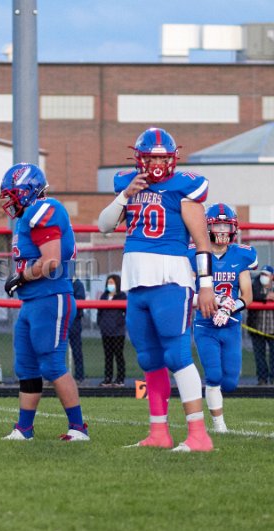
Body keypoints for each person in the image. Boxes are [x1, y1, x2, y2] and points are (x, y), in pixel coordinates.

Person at [98, 127, 217, 452]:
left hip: (170, 280)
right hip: (137, 282)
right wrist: (125, 195)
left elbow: (202, 243)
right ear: (140, 159)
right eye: (151, 158)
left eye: (162, 159)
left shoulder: (185, 188)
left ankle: (198, 435)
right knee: (149, 357)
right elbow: (104, 225)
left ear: (172, 160)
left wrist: (206, 285)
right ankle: (158, 432)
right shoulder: (129, 185)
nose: (157, 164)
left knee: (177, 354)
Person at [0, 162, 89, 442]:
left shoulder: (44, 209)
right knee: (25, 366)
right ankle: (24, 429)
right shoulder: (27, 216)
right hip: (33, 300)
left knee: (51, 364)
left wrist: (20, 277)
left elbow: (50, 261)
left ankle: (78, 428)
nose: (10, 201)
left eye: (13, 195)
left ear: (27, 191)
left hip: (51, 296)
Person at [188, 203, 256, 432]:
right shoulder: (195, 254)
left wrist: (229, 308)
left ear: (234, 228)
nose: (222, 230)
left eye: (226, 226)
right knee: (214, 375)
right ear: (207, 227)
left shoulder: (241, 255)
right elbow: (187, 291)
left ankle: (218, 417)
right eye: (218, 225)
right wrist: (215, 301)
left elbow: (248, 295)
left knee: (230, 383)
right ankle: (219, 425)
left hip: (231, 324)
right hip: (205, 324)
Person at [96, 274, 127, 387]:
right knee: (108, 356)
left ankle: (120, 379)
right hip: (106, 331)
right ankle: (108, 379)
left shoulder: (122, 296)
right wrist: (101, 324)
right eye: (108, 283)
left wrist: (120, 324)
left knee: (118, 355)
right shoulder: (104, 296)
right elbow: (99, 313)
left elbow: (126, 313)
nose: (110, 285)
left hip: (118, 332)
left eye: (112, 283)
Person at [248, 265, 274, 385]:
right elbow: (250, 297)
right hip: (257, 327)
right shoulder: (255, 286)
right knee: (259, 356)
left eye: (266, 275)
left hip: (272, 329)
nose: (263, 277)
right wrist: (265, 297)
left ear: (272, 276)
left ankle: (273, 379)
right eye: (262, 274)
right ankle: (262, 379)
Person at [70, 276, 86, 383]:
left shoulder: (78, 284)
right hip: (62, 320)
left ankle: (79, 376)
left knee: (76, 350)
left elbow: (79, 301)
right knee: (57, 351)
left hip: (74, 321)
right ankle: (55, 376)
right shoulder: (60, 283)